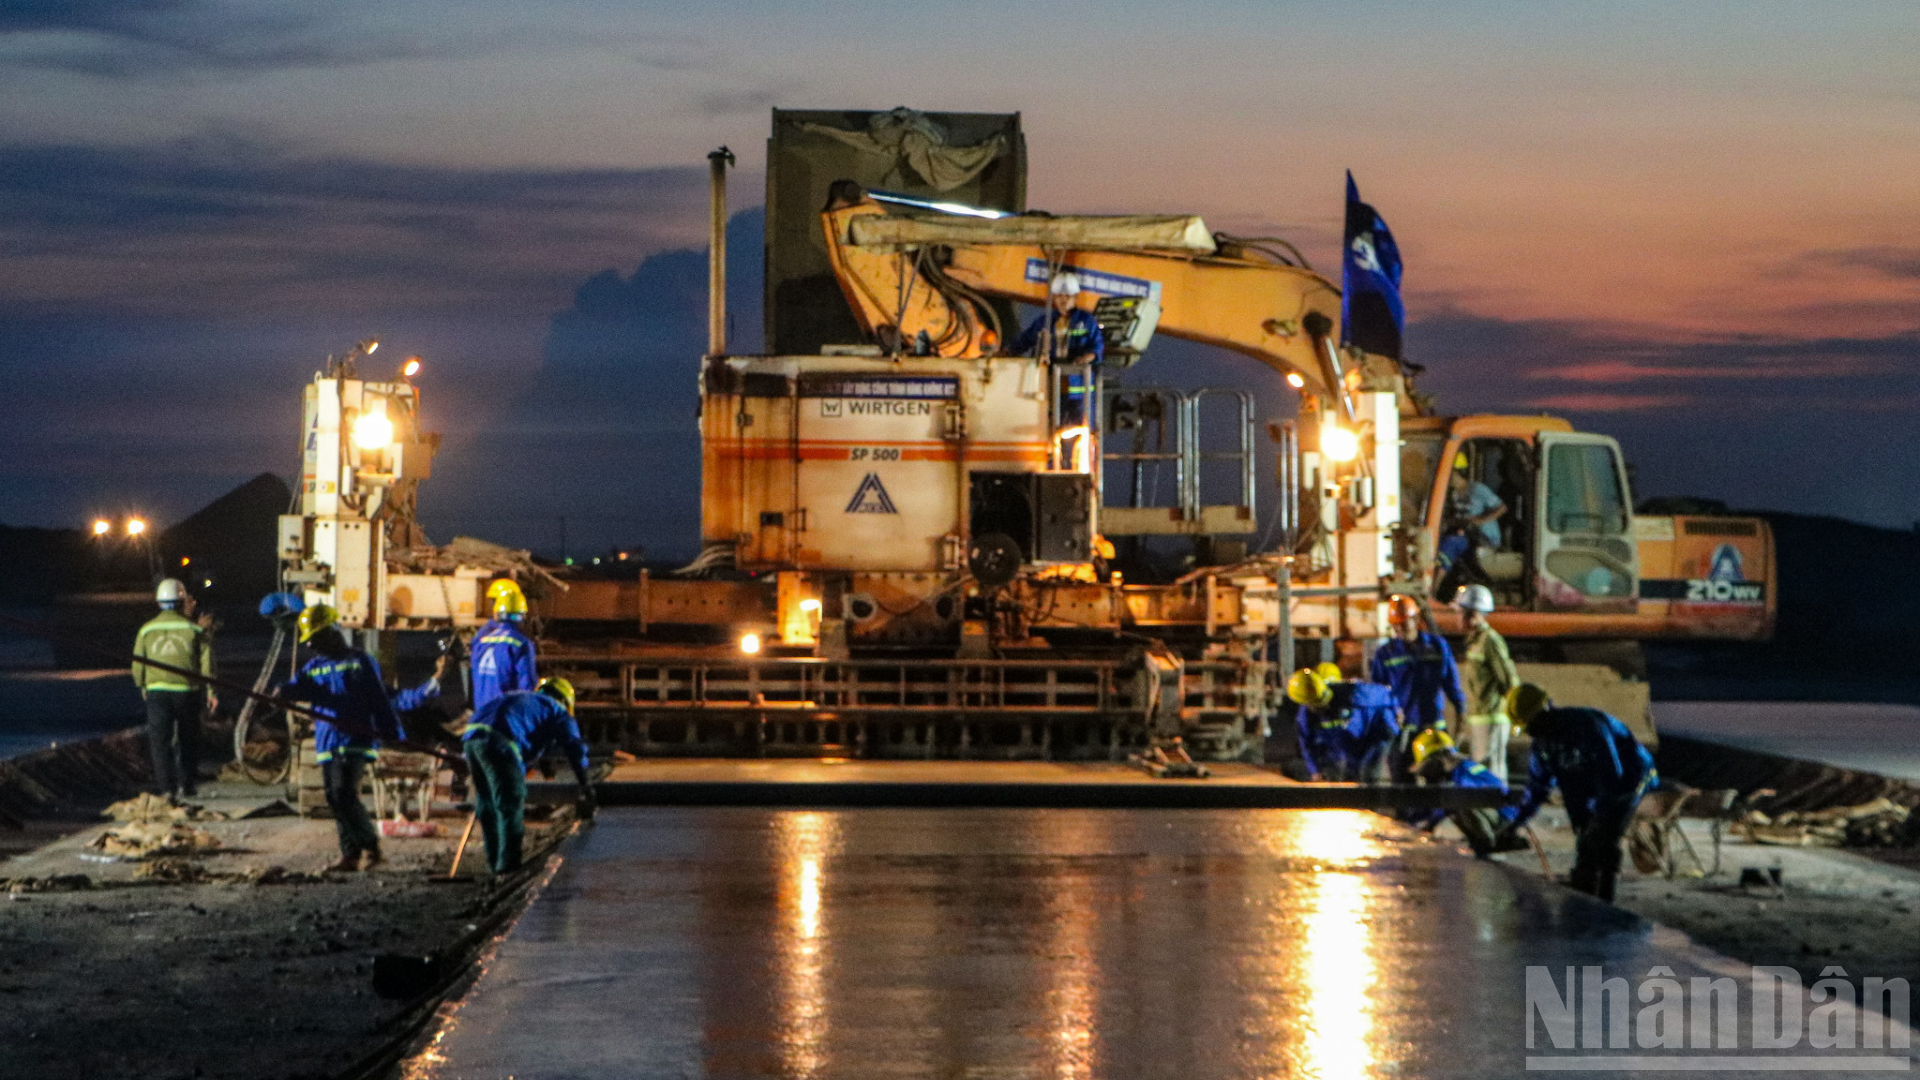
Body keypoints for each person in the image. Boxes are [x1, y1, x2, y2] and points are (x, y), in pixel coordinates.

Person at [1494, 683, 1656, 902]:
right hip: (1591, 782)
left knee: (1604, 834)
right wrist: (1515, 822)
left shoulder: (1587, 726)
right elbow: (1537, 789)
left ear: (1546, 711)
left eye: (1532, 724)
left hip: (1631, 775)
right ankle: (1585, 892)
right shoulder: (1543, 746)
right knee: (1585, 836)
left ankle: (1605, 895)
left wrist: (1598, 819)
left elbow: (1611, 774)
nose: (1532, 732)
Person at [281, 604, 407, 873]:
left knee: (344, 793)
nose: (312, 645)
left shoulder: (360, 661)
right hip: (327, 741)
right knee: (334, 797)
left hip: (355, 738)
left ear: (330, 632)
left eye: (315, 638)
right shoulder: (314, 668)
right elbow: (296, 689)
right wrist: (281, 692)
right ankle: (350, 854)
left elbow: (379, 699)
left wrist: (392, 730)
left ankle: (371, 847)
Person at [461, 678, 595, 876]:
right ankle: (508, 868)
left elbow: (525, 733)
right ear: (566, 701)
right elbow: (574, 746)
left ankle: (495, 865)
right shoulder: (556, 709)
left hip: (472, 740)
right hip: (500, 742)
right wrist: (585, 783)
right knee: (510, 802)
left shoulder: (523, 699)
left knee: (488, 805)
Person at [131, 578, 216, 799]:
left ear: (159, 602)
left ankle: (166, 788)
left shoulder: (146, 630)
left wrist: (141, 684)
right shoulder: (194, 630)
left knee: (160, 742)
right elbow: (207, 663)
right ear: (181, 601)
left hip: (157, 692)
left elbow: (138, 662)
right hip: (187, 691)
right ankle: (187, 784)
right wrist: (212, 692)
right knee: (189, 740)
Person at [1370, 596, 1465, 780]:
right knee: (1402, 788)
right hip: (1402, 733)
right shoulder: (1385, 653)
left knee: (1439, 787)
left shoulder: (1437, 647)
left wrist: (1461, 715)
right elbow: (1378, 693)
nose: (1398, 630)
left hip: (1433, 730)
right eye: (1394, 625)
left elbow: (1452, 685)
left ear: (1415, 620)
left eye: (1403, 624)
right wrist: (1390, 714)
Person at [1406, 728, 1520, 858]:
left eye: (1428, 765)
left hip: (1503, 819)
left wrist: (1430, 823)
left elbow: (1465, 799)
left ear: (1439, 758)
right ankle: (1480, 844)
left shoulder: (1465, 773)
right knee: (1455, 802)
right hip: (1491, 813)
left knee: (1460, 801)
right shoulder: (1454, 774)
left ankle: (1488, 846)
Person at [1014, 272, 1104, 427]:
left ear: (1075, 297)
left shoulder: (1086, 321)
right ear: (1054, 297)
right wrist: (1006, 351)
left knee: (1081, 429)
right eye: (1060, 295)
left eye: (1068, 296)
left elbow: (1097, 346)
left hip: (1079, 387)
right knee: (1053, 426)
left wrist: (1088, 357)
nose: (1063, 299)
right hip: (1053, 383)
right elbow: (1024, 340)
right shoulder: (1045, 321)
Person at [1453, 584, 1520, 782]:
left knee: (1492, 776)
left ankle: (1500, 812)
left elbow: (1509, 680)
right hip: (1481, 719)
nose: (1456, 618)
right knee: (1483, 775)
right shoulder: (1475, 642)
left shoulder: (1490, 641)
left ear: (1472, 615)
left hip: (1492, 718)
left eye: (1459, 613)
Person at [1288, 667, 1399, 783]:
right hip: (1348, 746)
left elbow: (1385, 695)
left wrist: (1396, 710)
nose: (1325, 707)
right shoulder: (1306, 715)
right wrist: (1315, 771)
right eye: (1318, 705)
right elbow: (1306, 745)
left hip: (1377, 735)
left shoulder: (1353, 692)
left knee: (1367, 774)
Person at [470, 579, 537, 712]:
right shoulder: (520, 644)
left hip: (481, 716)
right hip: (504, 718)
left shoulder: (482, 641)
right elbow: (527, 688)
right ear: (522, 616)